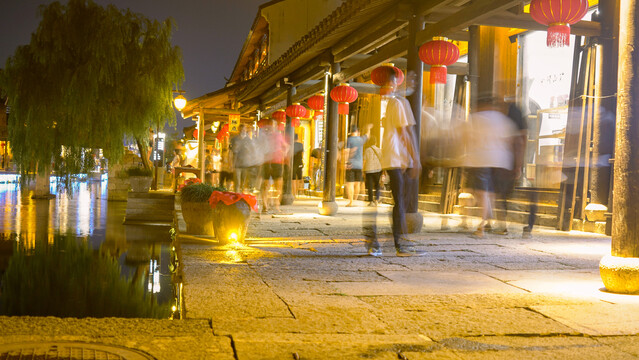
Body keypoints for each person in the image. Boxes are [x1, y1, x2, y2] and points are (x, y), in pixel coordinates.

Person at [367, 68, 424, 257]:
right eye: (410, 80)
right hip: (397, 158)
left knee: (398, 201)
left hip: (393, 158)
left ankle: (392, 241)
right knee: (400, 201)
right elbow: (404, 132)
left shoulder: (395, 102)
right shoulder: (399, 102)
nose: (412, 83)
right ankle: (399, 244)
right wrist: (415, 158)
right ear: (396, 83)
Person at [465, 95, 519, 238]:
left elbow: (468, 139)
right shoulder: (503, 119)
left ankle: (482, 227)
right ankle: (500, 225)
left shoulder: (475, 118)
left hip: (482, 158)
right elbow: (511, 140)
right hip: (501, 161)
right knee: (495, 194)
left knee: (483, 193)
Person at [260, 123, 288, 213]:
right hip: (267, 163)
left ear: (275, 127)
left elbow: (286, 146)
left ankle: (276, 205)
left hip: (277, 162)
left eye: (273, 125)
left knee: (278, 185)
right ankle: (265, 206)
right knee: (265, 185)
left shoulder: (279, 135)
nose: (271, 127)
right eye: (270, 125)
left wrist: (284, 153)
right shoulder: (264, 137)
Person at [344, 123, 372, 207]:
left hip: (351, 164)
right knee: (357, 183)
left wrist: (346, 162)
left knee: (350, 183)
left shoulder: (349, 140)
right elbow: (367, 135)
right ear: (357, 131)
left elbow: (347, 152)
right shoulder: (361, 139)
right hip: (359, 165)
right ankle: (355, 199)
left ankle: (351, 201)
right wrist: (369, 129)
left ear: (351, 132)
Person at [229, 124, 256, 193]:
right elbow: (230, 151)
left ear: (246, 130)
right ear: (238, 130)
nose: (242, 131)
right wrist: (231, 164)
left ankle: (242, 195)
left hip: (246, 163)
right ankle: (237, 195)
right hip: (237, 163)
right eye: (241, 129)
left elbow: (252, 151)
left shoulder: (249, 140)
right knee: (237, 181)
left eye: (244, 129)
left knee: (244, 181)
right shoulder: (234, 139)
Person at [363, 135, 382, 206]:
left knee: (370, 186)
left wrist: (363, 170)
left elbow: (364, 161)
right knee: (377, 185)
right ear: (376, 143)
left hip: (369, 169)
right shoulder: (379, 150)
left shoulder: (367, 150)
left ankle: (371, 201)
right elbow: (381, 160)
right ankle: (377, 199)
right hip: (378, 169)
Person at [292, 133, 304, 198]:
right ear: (297, 138)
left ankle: (294, 193)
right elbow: (302, 153)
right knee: (299, 177)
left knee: (293, 179)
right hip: (299, 162)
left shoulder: (291, 145)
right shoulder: (300, 145)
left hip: (293, 163)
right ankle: (299, 191)